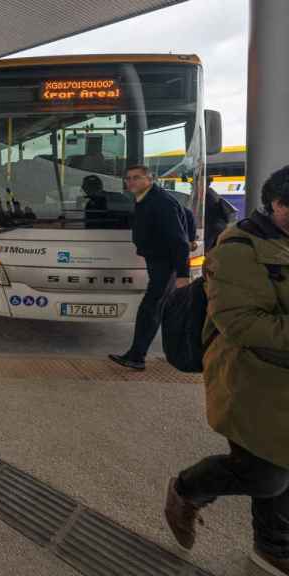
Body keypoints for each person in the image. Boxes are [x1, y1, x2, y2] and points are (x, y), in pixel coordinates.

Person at [163, 166, 289, 575]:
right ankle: (186, 489)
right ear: (275, 204)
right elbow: (241, 323)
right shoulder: (237, 249)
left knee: (283, 471)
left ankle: (273, 549)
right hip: (253, 380)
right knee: (266, 474)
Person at [108, 165, 190, 371]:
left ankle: (137, 356)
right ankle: (141, 355)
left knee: (151, 308)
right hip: (159, 261)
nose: (131, 182)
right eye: (128, 178)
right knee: (157, 308)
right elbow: (186, 214)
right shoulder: (148, 198)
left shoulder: (159, 202)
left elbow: (179, 241)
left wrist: (183, 274)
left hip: (165, 263)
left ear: (149, 179)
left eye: (136, 178)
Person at [204, 178, 237, 252]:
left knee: (207, 249)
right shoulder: (211, 193)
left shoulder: (207, 195)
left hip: (213, 226)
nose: (191, 186)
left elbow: (208, 214)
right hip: (217, 225)